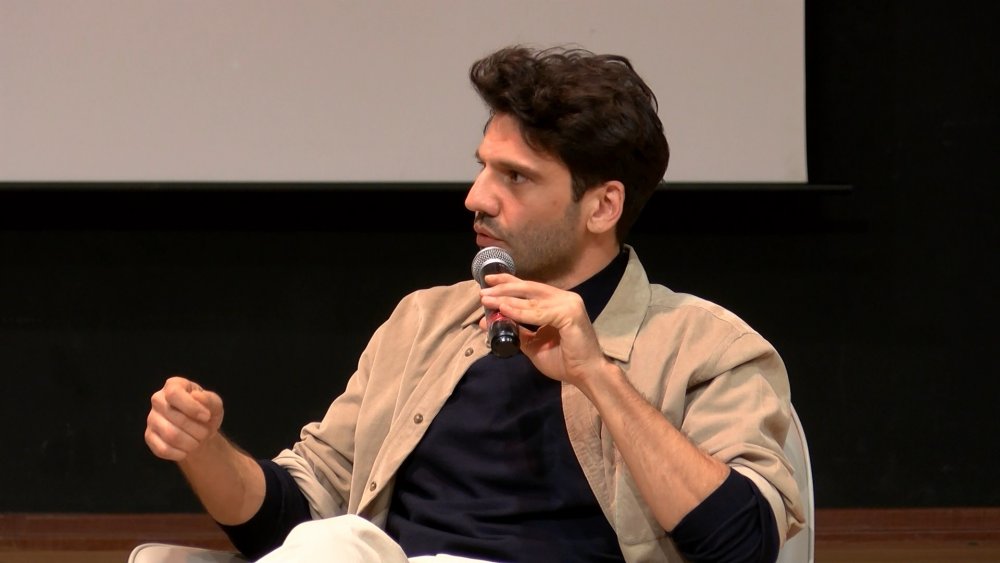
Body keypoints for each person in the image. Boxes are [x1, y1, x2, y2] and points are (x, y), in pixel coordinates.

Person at [145, 45, 804, 563]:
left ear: (603, 206)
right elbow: (296, 513)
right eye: (483, 165)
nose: (477, 196)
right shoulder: (423, 321)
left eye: (515, 177)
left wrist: (596, 375)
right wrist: (203, 449)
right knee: (328, 543)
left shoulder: (708, 346)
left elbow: (743, 545)